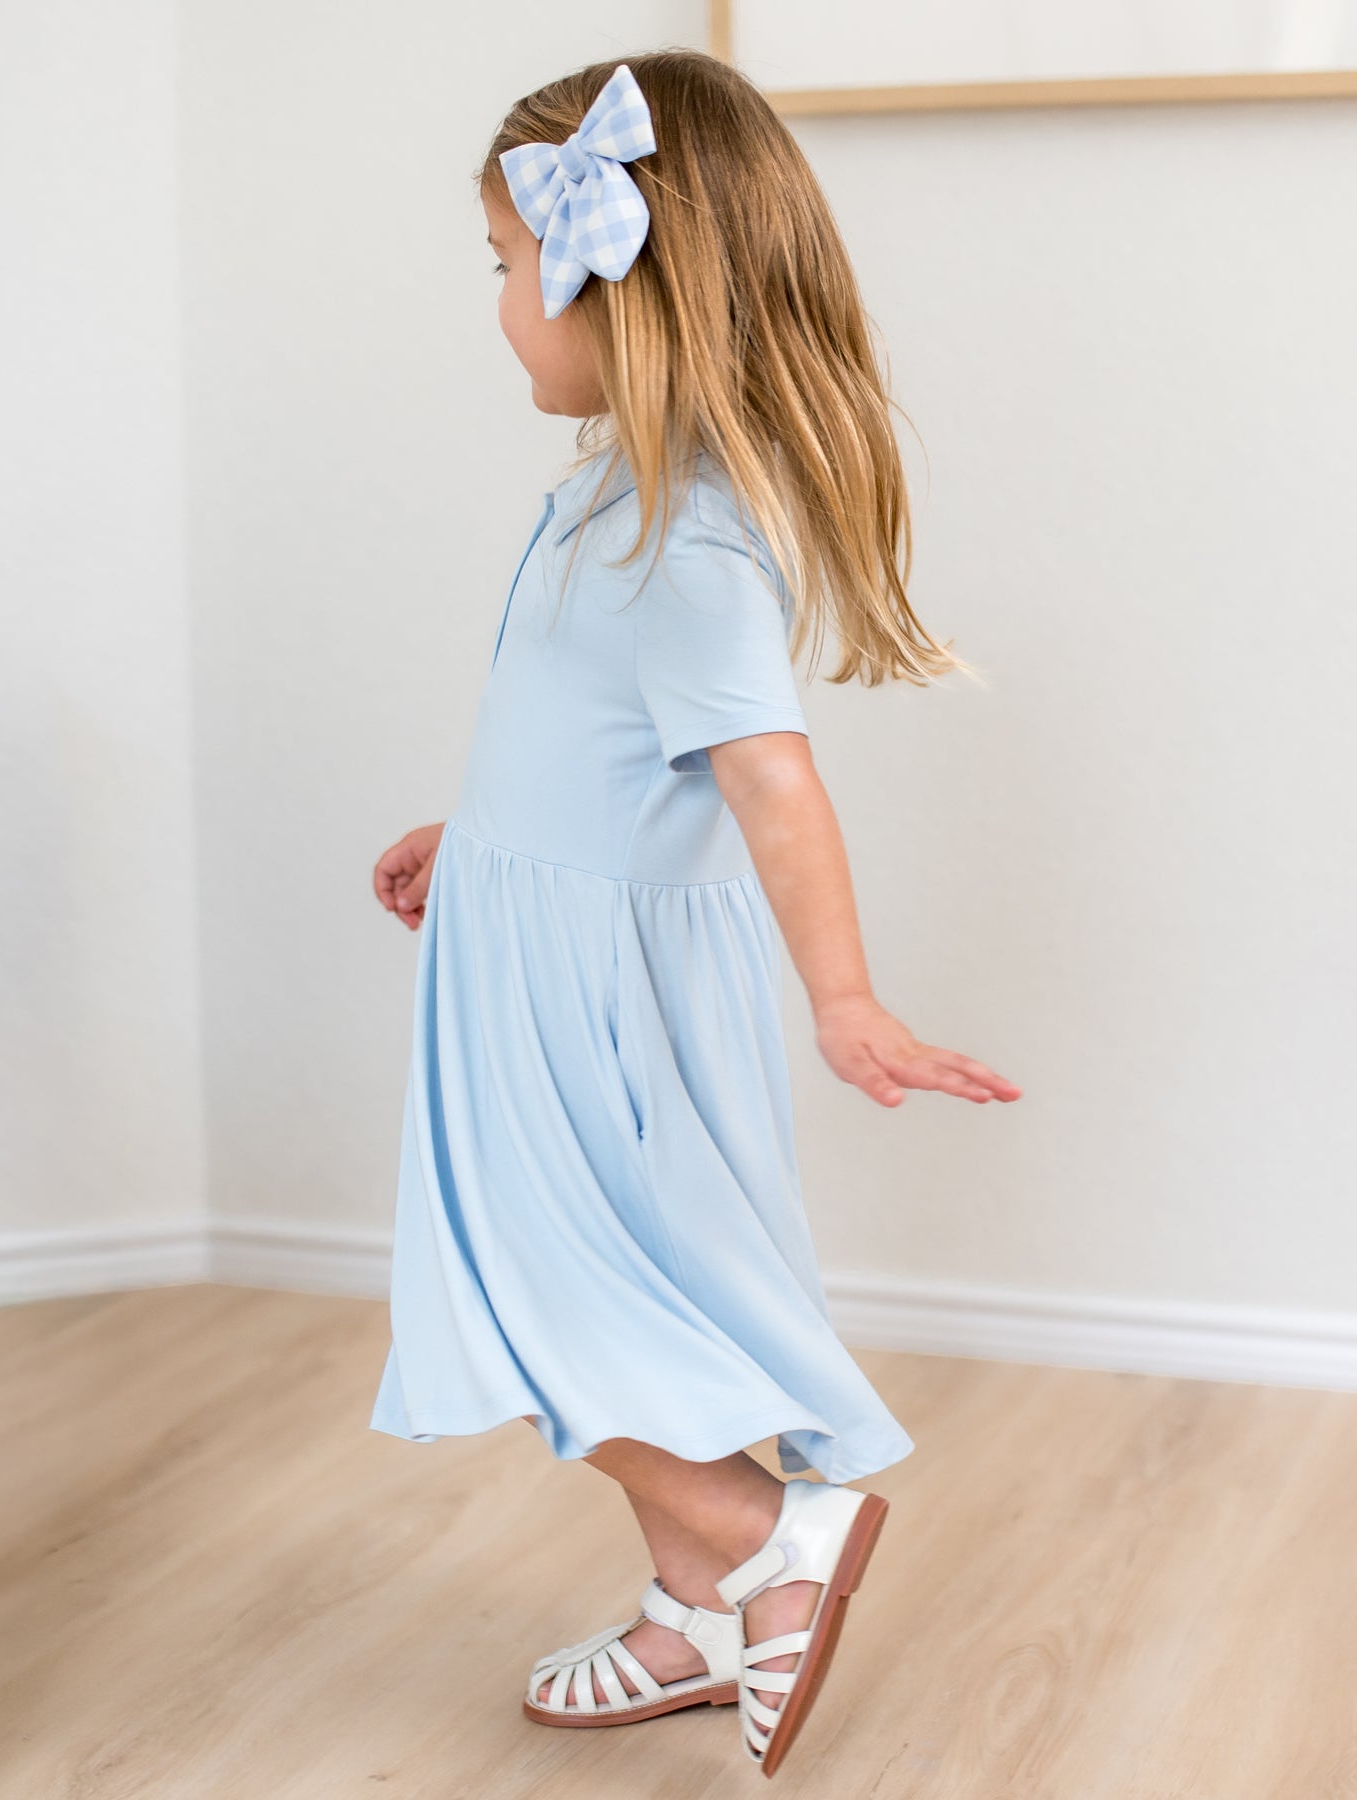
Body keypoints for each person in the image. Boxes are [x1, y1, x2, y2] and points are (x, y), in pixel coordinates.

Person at [367, 50, 1020, 1778]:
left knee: (535, 1290)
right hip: (545, 940)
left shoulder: (686, 538)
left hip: (581, 997)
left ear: (610, 285)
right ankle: (686, 1618)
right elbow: (605, 740)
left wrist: (850, 998)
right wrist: (484, 829)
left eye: (511, 270)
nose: (503, 310)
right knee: (636, 1286)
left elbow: (768, 777)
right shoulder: (613, 498)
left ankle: (767, 1544)